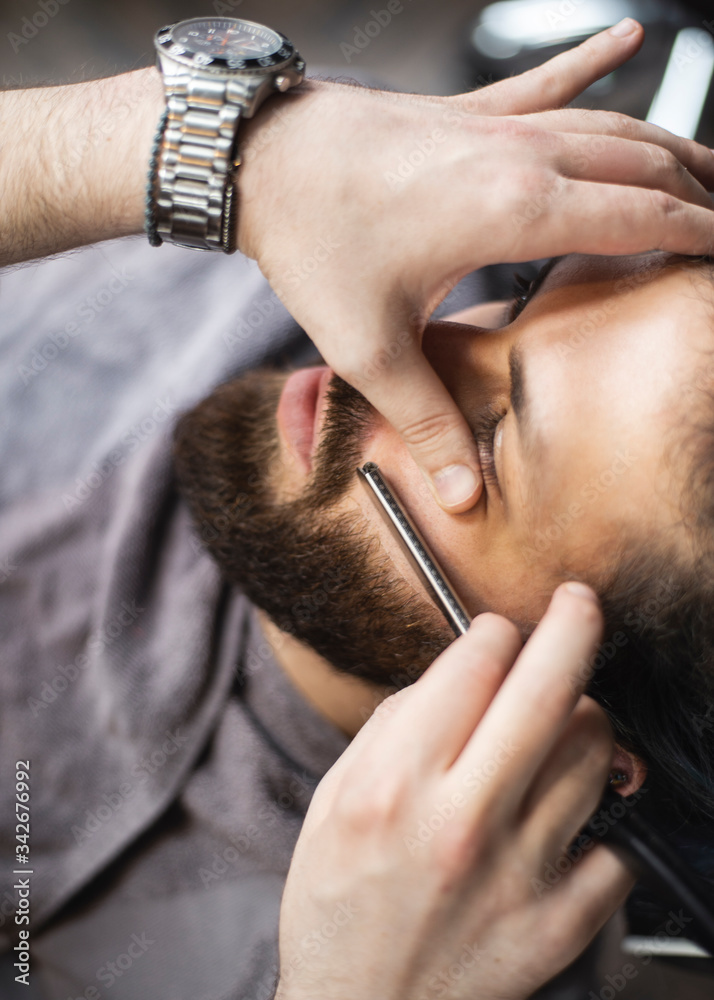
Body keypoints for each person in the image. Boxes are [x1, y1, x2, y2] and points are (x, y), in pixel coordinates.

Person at [1, 16, 713, 1000]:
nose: (387, 348)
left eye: (499, 435)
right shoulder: (310, 208)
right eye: (519, 302)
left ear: (592, 737)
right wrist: (184, 148)